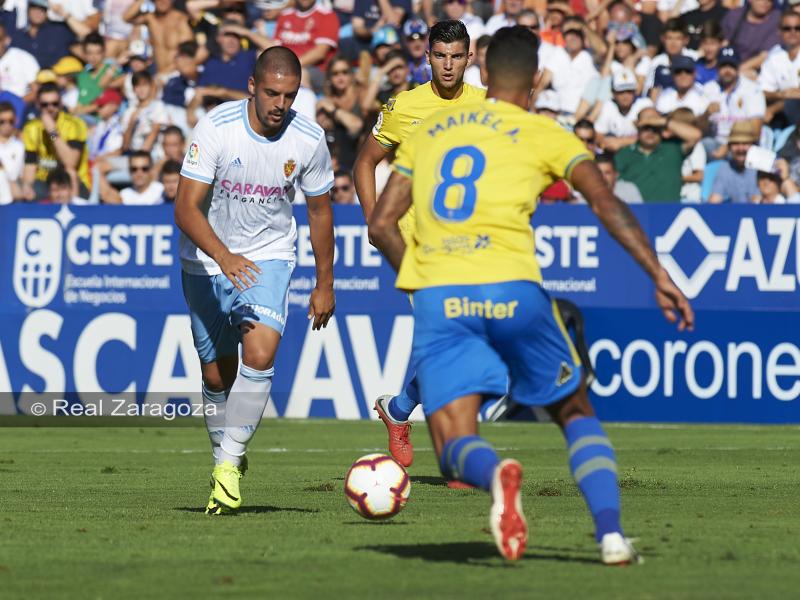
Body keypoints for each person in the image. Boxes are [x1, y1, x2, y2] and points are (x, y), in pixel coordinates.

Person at [368, 25, 693, 564]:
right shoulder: (545, 133)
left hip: (442, 295)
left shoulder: (432, 128)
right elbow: (605, 203)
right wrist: (657, 272)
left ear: (483, 74)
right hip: (515, 289)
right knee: (574, 410)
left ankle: (496, 477)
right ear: (537, 80)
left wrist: (422, 277)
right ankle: (611, 537)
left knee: (450, 446)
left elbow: (381, 223)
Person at [174, 47, 335, 515]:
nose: (280, 104)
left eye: (290, 95)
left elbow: (320, 211)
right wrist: (223, 256)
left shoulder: (308, 139)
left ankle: (227, 465)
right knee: (215, 375)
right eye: (271, 93)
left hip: (267, 255)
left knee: (261, 352)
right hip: (207, 259)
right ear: (252, 86)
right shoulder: (217, 129)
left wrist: (325, 282)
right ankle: (222, 454)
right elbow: (185, 208)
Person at [353, 20, 486, 471]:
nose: (448, 65)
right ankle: (459, 455)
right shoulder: (404, 106)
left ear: (469, 58)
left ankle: (399, 408)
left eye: (456, 56)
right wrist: (375, 221)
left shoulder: (485, 104)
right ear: (426, 56)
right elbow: (365, 163)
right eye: (440, 56)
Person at [614, 107, 702, 202]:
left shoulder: (673, 148)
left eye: (655, 128)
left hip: (669, 213)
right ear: (638, 126)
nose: (650, 132)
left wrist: (663, 122)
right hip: (635, 213)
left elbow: (696, 135)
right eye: (646, 127)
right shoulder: (624, 154)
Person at [21, 81, 90, 200]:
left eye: (54, 103)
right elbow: (30, 164)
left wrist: (52, 131)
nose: (50, 108)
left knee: (70, 173)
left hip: (71, 182)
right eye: (45, 104)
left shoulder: (74, 124)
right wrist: (27, 186)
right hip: (44, 181)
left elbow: (70, 162)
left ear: (61, 103)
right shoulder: (31, 128)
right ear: (38, 104)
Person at [707, 121, 762, 204]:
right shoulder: (724, 169)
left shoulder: (764, 168)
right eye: (736, 143)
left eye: (745, 143)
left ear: (753, 145)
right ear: (729, 147)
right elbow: (714, 201)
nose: (740, 148)